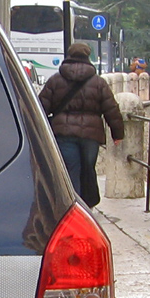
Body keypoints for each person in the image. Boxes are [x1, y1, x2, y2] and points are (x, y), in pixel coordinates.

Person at [38, 42, 125, 208]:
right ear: (87, 57)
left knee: (71, 169)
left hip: (63, 132)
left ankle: (74, 207)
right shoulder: (98, 83)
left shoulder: (55, 80)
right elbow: (111, 109)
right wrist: (117, 134)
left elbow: (41, 106)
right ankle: (88, 204)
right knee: (88, 169)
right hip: (91, 135)